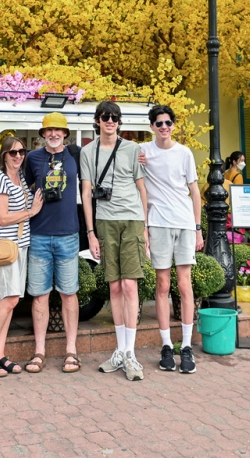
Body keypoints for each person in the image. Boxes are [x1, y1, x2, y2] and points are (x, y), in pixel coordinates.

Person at [81, 100, 149, 382]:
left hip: (131, 219)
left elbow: (141, 187)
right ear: (97, 121)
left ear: (120, 122)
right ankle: (120, 350)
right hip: (105, 222)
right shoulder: (87, 151)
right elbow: (86, 193)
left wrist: (145, 229)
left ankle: (130, 352)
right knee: (114, 286)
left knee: (130, 284)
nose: (110, 121)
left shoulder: (133, 149)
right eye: (105, 117)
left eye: (115, 117)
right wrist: (90, 233)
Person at [138, 105, 204, 374]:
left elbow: (195, 192)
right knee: (163, 285)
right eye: (159, 123)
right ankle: (166, 345)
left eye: (168, 122)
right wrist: (144, 229)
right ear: (152, 126)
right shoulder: (143, 151)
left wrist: (198, 228)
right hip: (158, 223)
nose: (164, 127)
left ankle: (186, 346)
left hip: (185, 224)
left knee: (185, 285)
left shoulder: (184, 153)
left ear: (173, 125)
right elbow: (116, 149)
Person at [0, 136, 43, 378]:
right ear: (3, 155)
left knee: (11, 301)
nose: (18, 156)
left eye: (21, 152)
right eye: (13, 153)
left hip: (20, 245)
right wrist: (31, 212)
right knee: (9, 300)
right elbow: (3, 217)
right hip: (5, 246)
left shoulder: (20, 178)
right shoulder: (0, 179)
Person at [22, 112, 82, 374]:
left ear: (65, 134)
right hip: (38, 235)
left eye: (59, 130)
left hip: (68, 234)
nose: (54, 134)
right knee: (40, 296)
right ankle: (39, 352)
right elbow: (18, 184)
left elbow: (106, 156)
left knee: (69, 294)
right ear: (43, 134)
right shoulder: (33, 158)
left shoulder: (76, 154)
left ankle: (72, 352)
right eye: (49, 131)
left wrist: (140, 157)